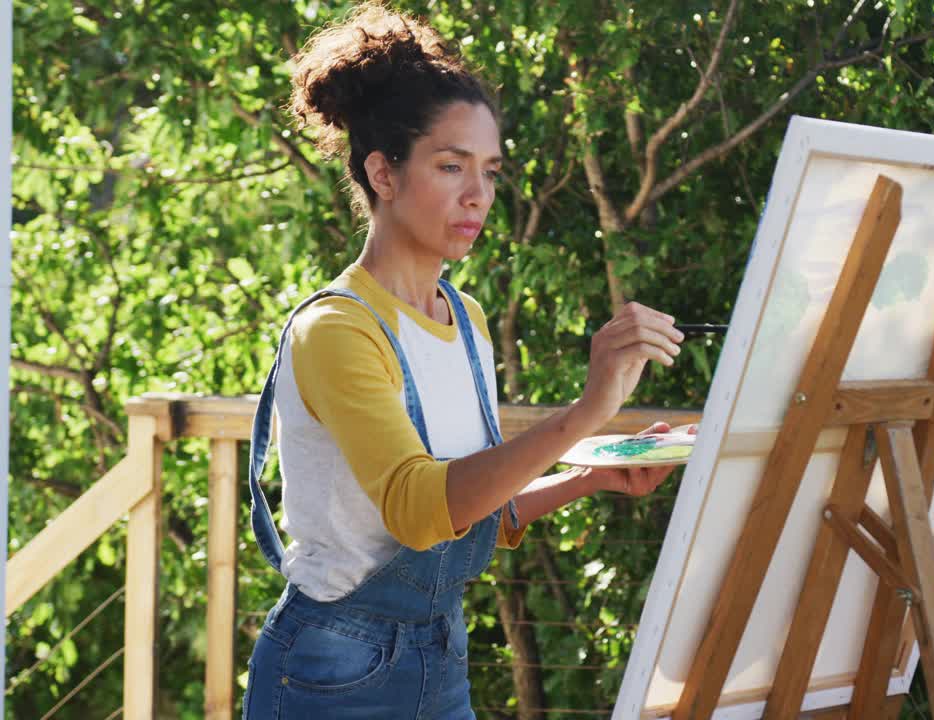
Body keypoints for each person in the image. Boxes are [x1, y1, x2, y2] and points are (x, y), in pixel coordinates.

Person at [240, 3, 689, 718]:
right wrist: (584, 414)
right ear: (383, 173)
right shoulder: (337, 331)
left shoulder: (465, 318)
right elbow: (422, 513)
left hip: (440, 652)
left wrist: (588, 477)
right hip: (332, 668)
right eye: (451, 166)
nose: (477, 194)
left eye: (488, 170)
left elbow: (471, 511)